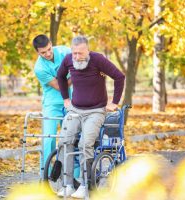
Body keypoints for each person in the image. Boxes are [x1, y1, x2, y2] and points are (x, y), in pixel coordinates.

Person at [56, 35, 125, 198]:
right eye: (74, 53)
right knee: (64, 141)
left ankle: (85, 184)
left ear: (88, 50)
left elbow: (119, 77)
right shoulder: (68, 60)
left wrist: (114, 102)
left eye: (80, 53)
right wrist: (65, 98)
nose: (76, 57)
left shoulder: (98, 60)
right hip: (75, 110)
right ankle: (67, 184)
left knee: (85, 143)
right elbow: (60, 76)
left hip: (96, 111)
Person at [33, 34, 72, 166]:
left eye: (49, 49)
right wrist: (77, 76)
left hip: (72, 101)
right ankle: (45, 175)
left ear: (51, 44)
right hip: (52, 104)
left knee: (73, 139)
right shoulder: (39, 68)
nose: (48, 53)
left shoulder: (66, 52)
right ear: (37, 52)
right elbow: (60, 86)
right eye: (43, 52)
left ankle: (74, 176)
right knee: (48, 139)